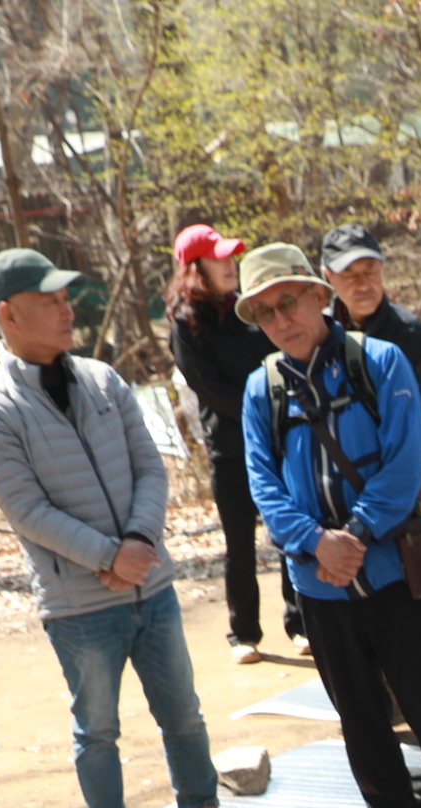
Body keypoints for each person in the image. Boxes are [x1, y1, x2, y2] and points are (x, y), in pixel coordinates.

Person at [0, 245, 243, 808]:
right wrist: (107, 557)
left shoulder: (102, 379)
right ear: (8, 315)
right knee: (97, 730)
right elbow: (28, 511)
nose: (68, 311)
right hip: (79, 603)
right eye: (51, 302)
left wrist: (140, 542)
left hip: (151, 584)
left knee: (184, 712)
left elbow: (150, 465)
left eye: (67, 299)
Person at [236, 244, 421, 808]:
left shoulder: (380, 361)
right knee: (359, 716)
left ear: (320, 297)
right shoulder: (260, 389)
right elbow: (262, 484)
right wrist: (315, 542)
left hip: (395, 569)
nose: (280, 319)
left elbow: (408, 461)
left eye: (289, 302)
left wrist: (352, 535)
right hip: (318, 582)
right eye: (264, 312)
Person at [164, 224, 281, 663]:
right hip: (232, 448)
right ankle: (244, 633)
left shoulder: (249, 309)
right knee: (240, 545)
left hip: (279, 439)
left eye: (232, 257)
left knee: (292, 534)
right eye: (220, 259)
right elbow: (208, 388)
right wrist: (261, 411)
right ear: (196, 269)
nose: (231, 265)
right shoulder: (185, 324)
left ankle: (302, 622)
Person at [323, 225, 421, 467]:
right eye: (349, 274)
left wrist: (419, 461)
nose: (363, 284)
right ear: (328, 277)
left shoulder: (411, 333)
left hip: (410, 470)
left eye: (370, 270)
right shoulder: (319, 335)